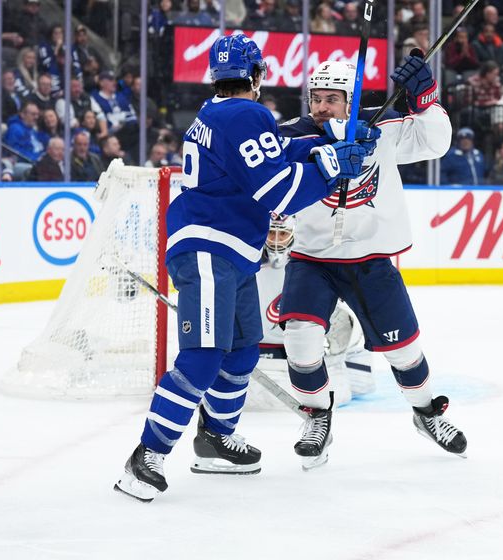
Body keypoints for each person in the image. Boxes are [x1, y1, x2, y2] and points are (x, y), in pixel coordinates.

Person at [114, 33, 371, 502]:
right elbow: (279, 192)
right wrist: (332, 166)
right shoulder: (247, 114)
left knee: (241, 351)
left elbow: (275, 155)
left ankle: (215, 438)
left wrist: (325, 147)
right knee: (202, 358)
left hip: (231, 252)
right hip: (209, 248)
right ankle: (145, 456)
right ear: (256, 75)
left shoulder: (218, 114)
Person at [276, 57, 467, 471]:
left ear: (352, 100)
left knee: (404, 350)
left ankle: (426, 412)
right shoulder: (292, 134)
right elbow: (274, 174)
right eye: (316, 98)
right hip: (313, 259)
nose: (321, 107)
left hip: (371, 260)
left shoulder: (383, 127)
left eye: (332, 99)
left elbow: (435, 142)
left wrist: (425, 98)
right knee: (301, 340)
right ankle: (317, 417)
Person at [252, 214, 375, 410]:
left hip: (300, 347)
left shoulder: (309, 261)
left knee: (361, 381)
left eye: (282, 234)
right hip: (260, 349)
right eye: (271, 234)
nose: (276, 241)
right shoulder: (250, 260)